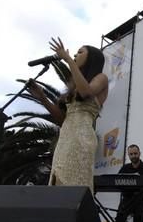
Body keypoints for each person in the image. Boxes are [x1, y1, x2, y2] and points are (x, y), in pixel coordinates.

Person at [27, 37, 108, 193]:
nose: (75, 55)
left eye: (80, 52)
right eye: (75, 54)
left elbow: (86, 92)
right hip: (65, 138)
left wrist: (68, 60)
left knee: (75, 184)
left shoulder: (101, 78)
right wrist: (43, 98)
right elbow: (62, 120)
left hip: (81, 138)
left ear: (92, 58)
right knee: (58, 181)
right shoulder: (73, 85)